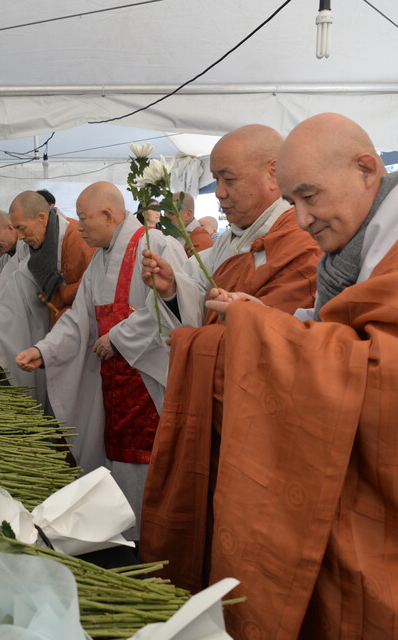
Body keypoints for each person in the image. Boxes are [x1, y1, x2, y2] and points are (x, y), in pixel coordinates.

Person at [205, 113, 398, 638]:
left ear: (367, 169)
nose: (301, 220)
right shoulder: (374, 248)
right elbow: (344, 331)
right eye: (293, 203)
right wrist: (268, 319)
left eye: (310, 197)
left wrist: (262, 330)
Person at [137, 124, 321, 590]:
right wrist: (173, 289)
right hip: (219, 402)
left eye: (228, 179)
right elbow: (206, 305)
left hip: (256, 417)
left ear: (273, 173)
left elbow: (288, 338)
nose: (217, 194)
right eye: (215, 180)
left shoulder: (298, 238)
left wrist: (240, 315)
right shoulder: (233, 237)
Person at [15, 182, 188, 533]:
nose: (77, 227)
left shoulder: (156, 246)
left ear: (109, 216)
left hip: (151, 389)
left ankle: (151, 542)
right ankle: (125, 538)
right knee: (118, 470)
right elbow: (79, 320)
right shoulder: (100, 261)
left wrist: (119, 337)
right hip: (113, 389)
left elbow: (174, 309)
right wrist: (44, 350)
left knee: (152, 473)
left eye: (83, 218)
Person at [0, 191, 95, 406]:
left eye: (21, 228)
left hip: (83, 347)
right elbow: (10, 296)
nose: (19, 236)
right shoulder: (34, 249)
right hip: (53, 343)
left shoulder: (78, 240)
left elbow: (89, 301)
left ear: (41, 218)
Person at [172, 191, 214, 256]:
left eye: (171, 212)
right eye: (164, 211)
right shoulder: (178, 235)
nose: (165, 215)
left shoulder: (201, 241)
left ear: (188, 215)